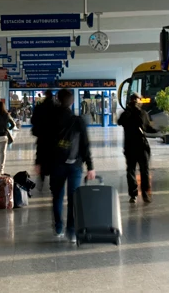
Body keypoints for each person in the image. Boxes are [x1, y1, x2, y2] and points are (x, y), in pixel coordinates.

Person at [43, 88, 96, 243]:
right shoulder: (78, 120)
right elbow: (85, 144)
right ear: (72, 102)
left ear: (58, 100)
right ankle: (71, 231)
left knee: (57, 196)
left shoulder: (50, 120)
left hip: (56, 164)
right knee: (73, 198)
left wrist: (41, 162)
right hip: (75, 164)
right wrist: (90, 166)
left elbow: (44, 144)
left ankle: (58, 227)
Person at [118, 93, 157, 204]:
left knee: (136, 170)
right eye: (136, 100)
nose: (136, 101)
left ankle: (137, 194)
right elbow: (121, 122)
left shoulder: (135, 113)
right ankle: (140, 194)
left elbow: (146, 127)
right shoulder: (134, 113)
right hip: (138, 146)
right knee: (138, 170)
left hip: (133, 146)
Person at [31, 89, 55, 185]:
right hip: (54, 137)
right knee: (54, 156)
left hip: (42, 136)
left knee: (40, 154)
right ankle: (53, 176)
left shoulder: (39, 107)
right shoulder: (56, 107)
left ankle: (41, 175)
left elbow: (33, 120)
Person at [0, 101, 16, 175]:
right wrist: (8, 128)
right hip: (4, 136)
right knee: (3, 153)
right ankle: (1, 170)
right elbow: (13, 124)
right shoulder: (7, 115)